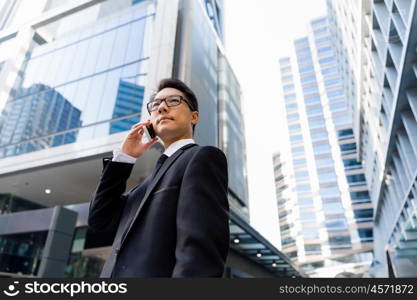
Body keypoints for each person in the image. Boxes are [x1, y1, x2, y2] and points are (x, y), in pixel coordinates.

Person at [88, 78, 230, 278]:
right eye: (156, 105)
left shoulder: (201, 158)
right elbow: (99, 220)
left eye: (173, 101)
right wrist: (125, 157)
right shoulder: (142, 187)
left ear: (194, 116)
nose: (162, 107)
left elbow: (199, 252)